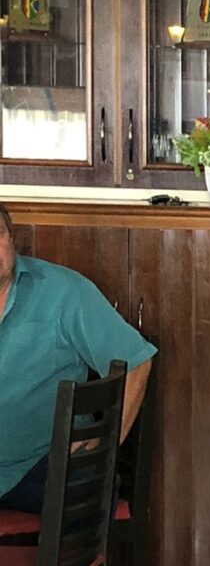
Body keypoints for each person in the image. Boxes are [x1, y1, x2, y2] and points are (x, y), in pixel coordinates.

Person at [0, 202, 155, 514]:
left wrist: (106, 443)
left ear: (11, 238)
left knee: (86, 485)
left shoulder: (63, 291)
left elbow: (136, 362)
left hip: (43, 466)